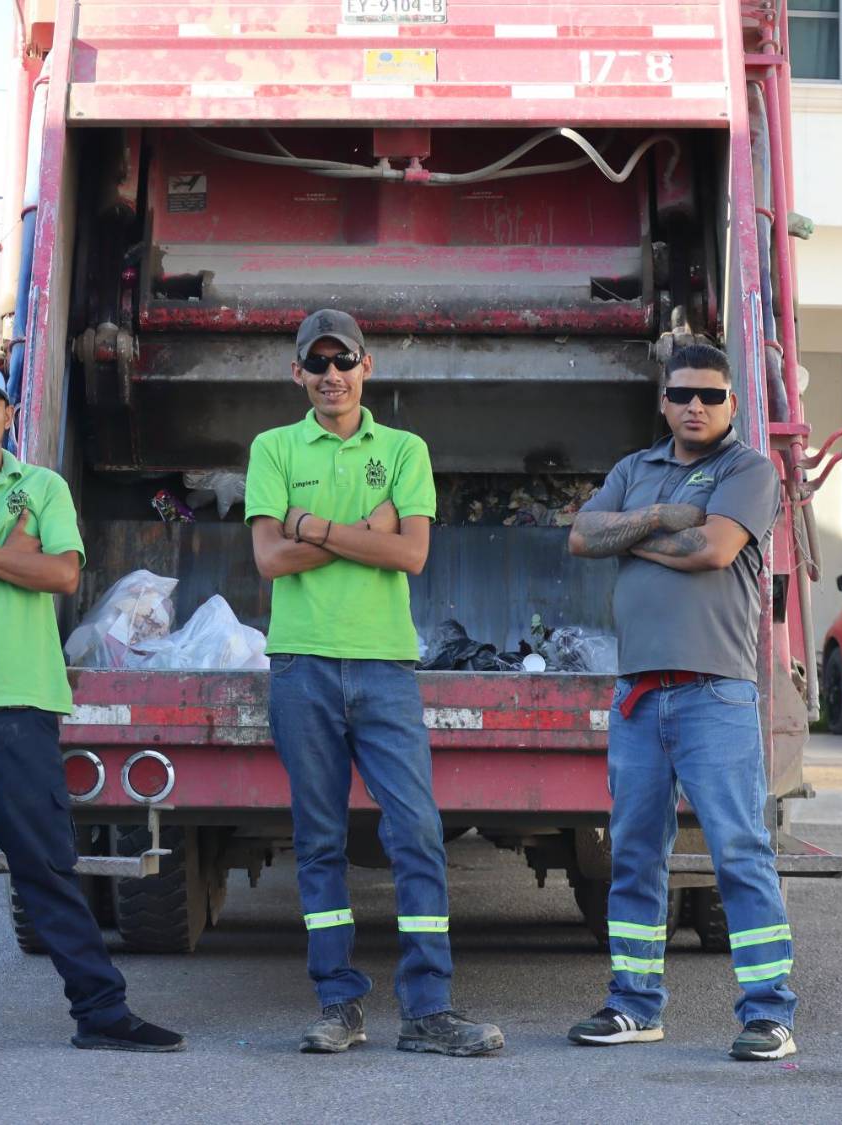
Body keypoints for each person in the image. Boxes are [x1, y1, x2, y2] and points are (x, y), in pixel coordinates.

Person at [0, 360, 183, 1057]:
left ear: (11, 415)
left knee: (48, 869)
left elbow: (60, 573)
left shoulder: (42, 486)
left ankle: (101, 1012)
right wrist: (7, 556)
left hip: (22, 708)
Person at [245, 310, 504, 1057]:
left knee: (417, 833)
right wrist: (368, 530)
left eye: (343, 359)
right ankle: (339, 1003)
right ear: (297, 373)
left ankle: (428, 1010)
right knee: (319, 840)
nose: (331, 373)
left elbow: (413, 554)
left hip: (385, 666)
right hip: (301, 664)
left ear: (369, 366)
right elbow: (269, 558)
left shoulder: (404, 449)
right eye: (316, 361)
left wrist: (316, 527)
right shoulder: (273, 447)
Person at [564, 341, 795, 1061]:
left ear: (731, 404)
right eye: (683, 394)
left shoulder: (750, 470)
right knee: (633, 853)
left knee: (738, 851)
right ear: (663, 400)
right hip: (638, 697)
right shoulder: (638, 469)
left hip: (713, 695)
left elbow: (712, 549)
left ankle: (769, 1014)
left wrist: (628, 537)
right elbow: (580, 534)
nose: (696, 406)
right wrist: (663, 513)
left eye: (711, 396)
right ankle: (634, 1005)